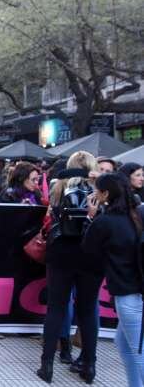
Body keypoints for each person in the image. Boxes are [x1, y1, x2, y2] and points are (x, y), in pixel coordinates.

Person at [36, 151, 100, 384]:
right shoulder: (100, 188)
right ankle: (89, 365)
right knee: (87, 310)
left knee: (56, 308)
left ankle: (47, 365)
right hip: (91, 253)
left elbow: (49, 217)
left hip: (62, 251)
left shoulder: (58, 186)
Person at [82, 173, 144, 386]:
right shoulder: (135, 215)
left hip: (129, 295)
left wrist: (90, 218)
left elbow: (87, 252)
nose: (94, 193)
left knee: (139, 353)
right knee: (125, 345)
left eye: (97, 189)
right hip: (134, 291)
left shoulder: (105, 221)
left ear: (105, 193)